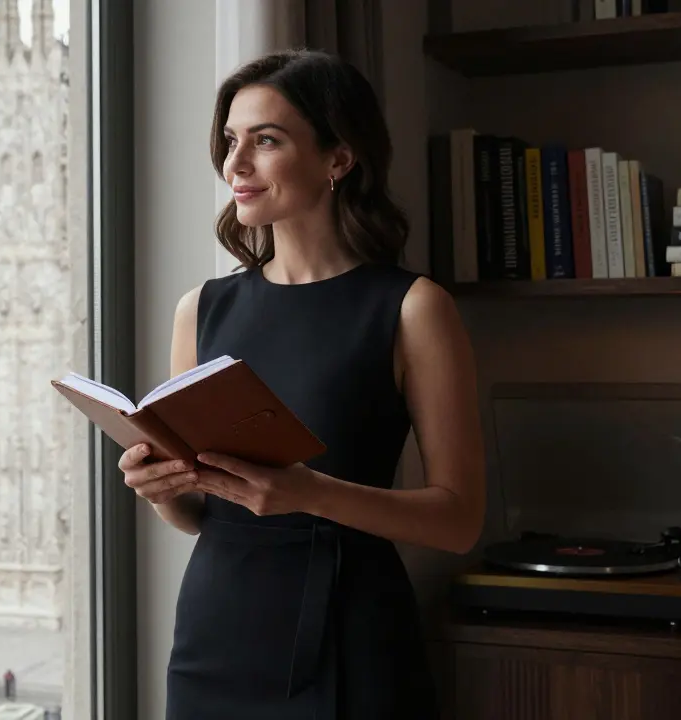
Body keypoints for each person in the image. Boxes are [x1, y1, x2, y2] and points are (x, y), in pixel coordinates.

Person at [122, 49, 486, 719]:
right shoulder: (200, 308)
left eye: (266, 140)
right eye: (231, 141)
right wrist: (161, 490)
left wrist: (311, 493)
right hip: (215, 633)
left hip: (349, 633)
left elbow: (460, 521)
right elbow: (205, 513)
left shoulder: (412, 308)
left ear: (339, 159)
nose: (236, 164)